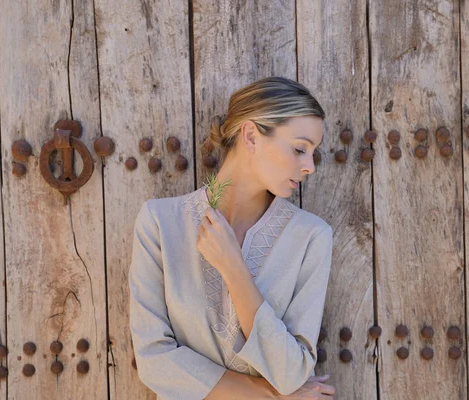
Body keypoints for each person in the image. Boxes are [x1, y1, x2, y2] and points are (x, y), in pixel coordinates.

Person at [128, 76, 336, 399]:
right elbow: (153, 360)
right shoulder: (160, 224)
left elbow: (293, 373)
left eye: (313, 154)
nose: (309, 166)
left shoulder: (311, 238)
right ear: (251, 135)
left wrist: (234, 268)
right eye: (299, 149)